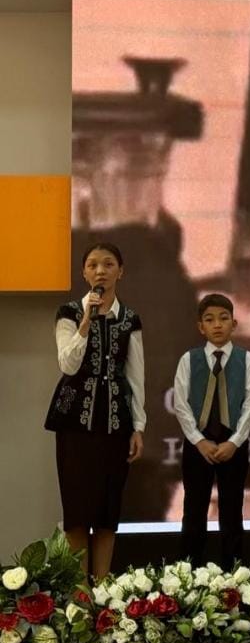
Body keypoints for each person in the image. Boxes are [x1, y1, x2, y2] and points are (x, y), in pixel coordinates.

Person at [44, 242, 145, 580]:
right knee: (77, 511)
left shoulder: (130, 319)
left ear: (121, 271)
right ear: (84, 273)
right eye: (93, 265)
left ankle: (102, 587)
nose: (101, 271)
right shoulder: (69, 313)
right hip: (74, 423)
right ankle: (79, 592)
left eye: (108, 264)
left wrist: (139, 426)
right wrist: (86, 320)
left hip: (115, 422)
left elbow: (136, 375)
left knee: (107, 512)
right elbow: (68, 364)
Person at [172, 293, 250, 568]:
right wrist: (198, 441)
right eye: (210, 320)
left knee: (232, 510)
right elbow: (180, 403)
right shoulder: (189, 360)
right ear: (201, 327)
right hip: (197, 444)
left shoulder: (247, 360)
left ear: (234, 324)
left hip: (233, 443)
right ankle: (188, 573)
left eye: (223, 319)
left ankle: (233, 574)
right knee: (194, 510)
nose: (217, 325)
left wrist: (234, 441)